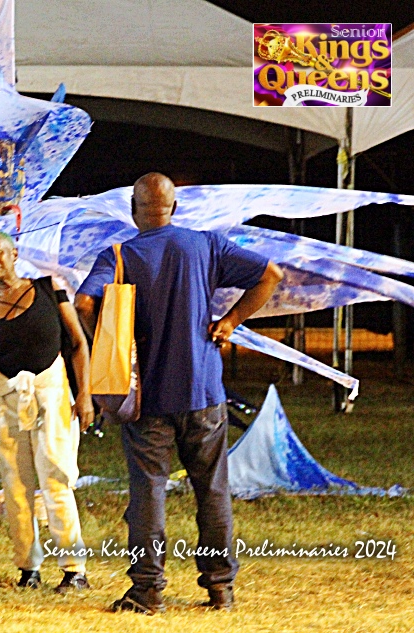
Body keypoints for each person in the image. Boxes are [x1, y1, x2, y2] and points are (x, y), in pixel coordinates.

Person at [74, 173, 284, 614]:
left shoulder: (119, 254)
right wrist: (229, 322)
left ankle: (147, 590)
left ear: (134, 209)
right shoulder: (205, 244)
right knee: (212, 489)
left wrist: (112, 345)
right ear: (173, 208)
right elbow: (270, 274)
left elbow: (85, 304)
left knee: (147, 491)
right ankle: (220, 587)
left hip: (146, 397)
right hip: (203, 390)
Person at [0, 231, 94, 593]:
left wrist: (85, 394)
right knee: (15, 486)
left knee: (55, 477)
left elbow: (78, 343)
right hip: (7, 402)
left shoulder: (47, 289)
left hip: (51, 397)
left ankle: (74, 570)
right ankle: (29, 568)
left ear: (14, 253)